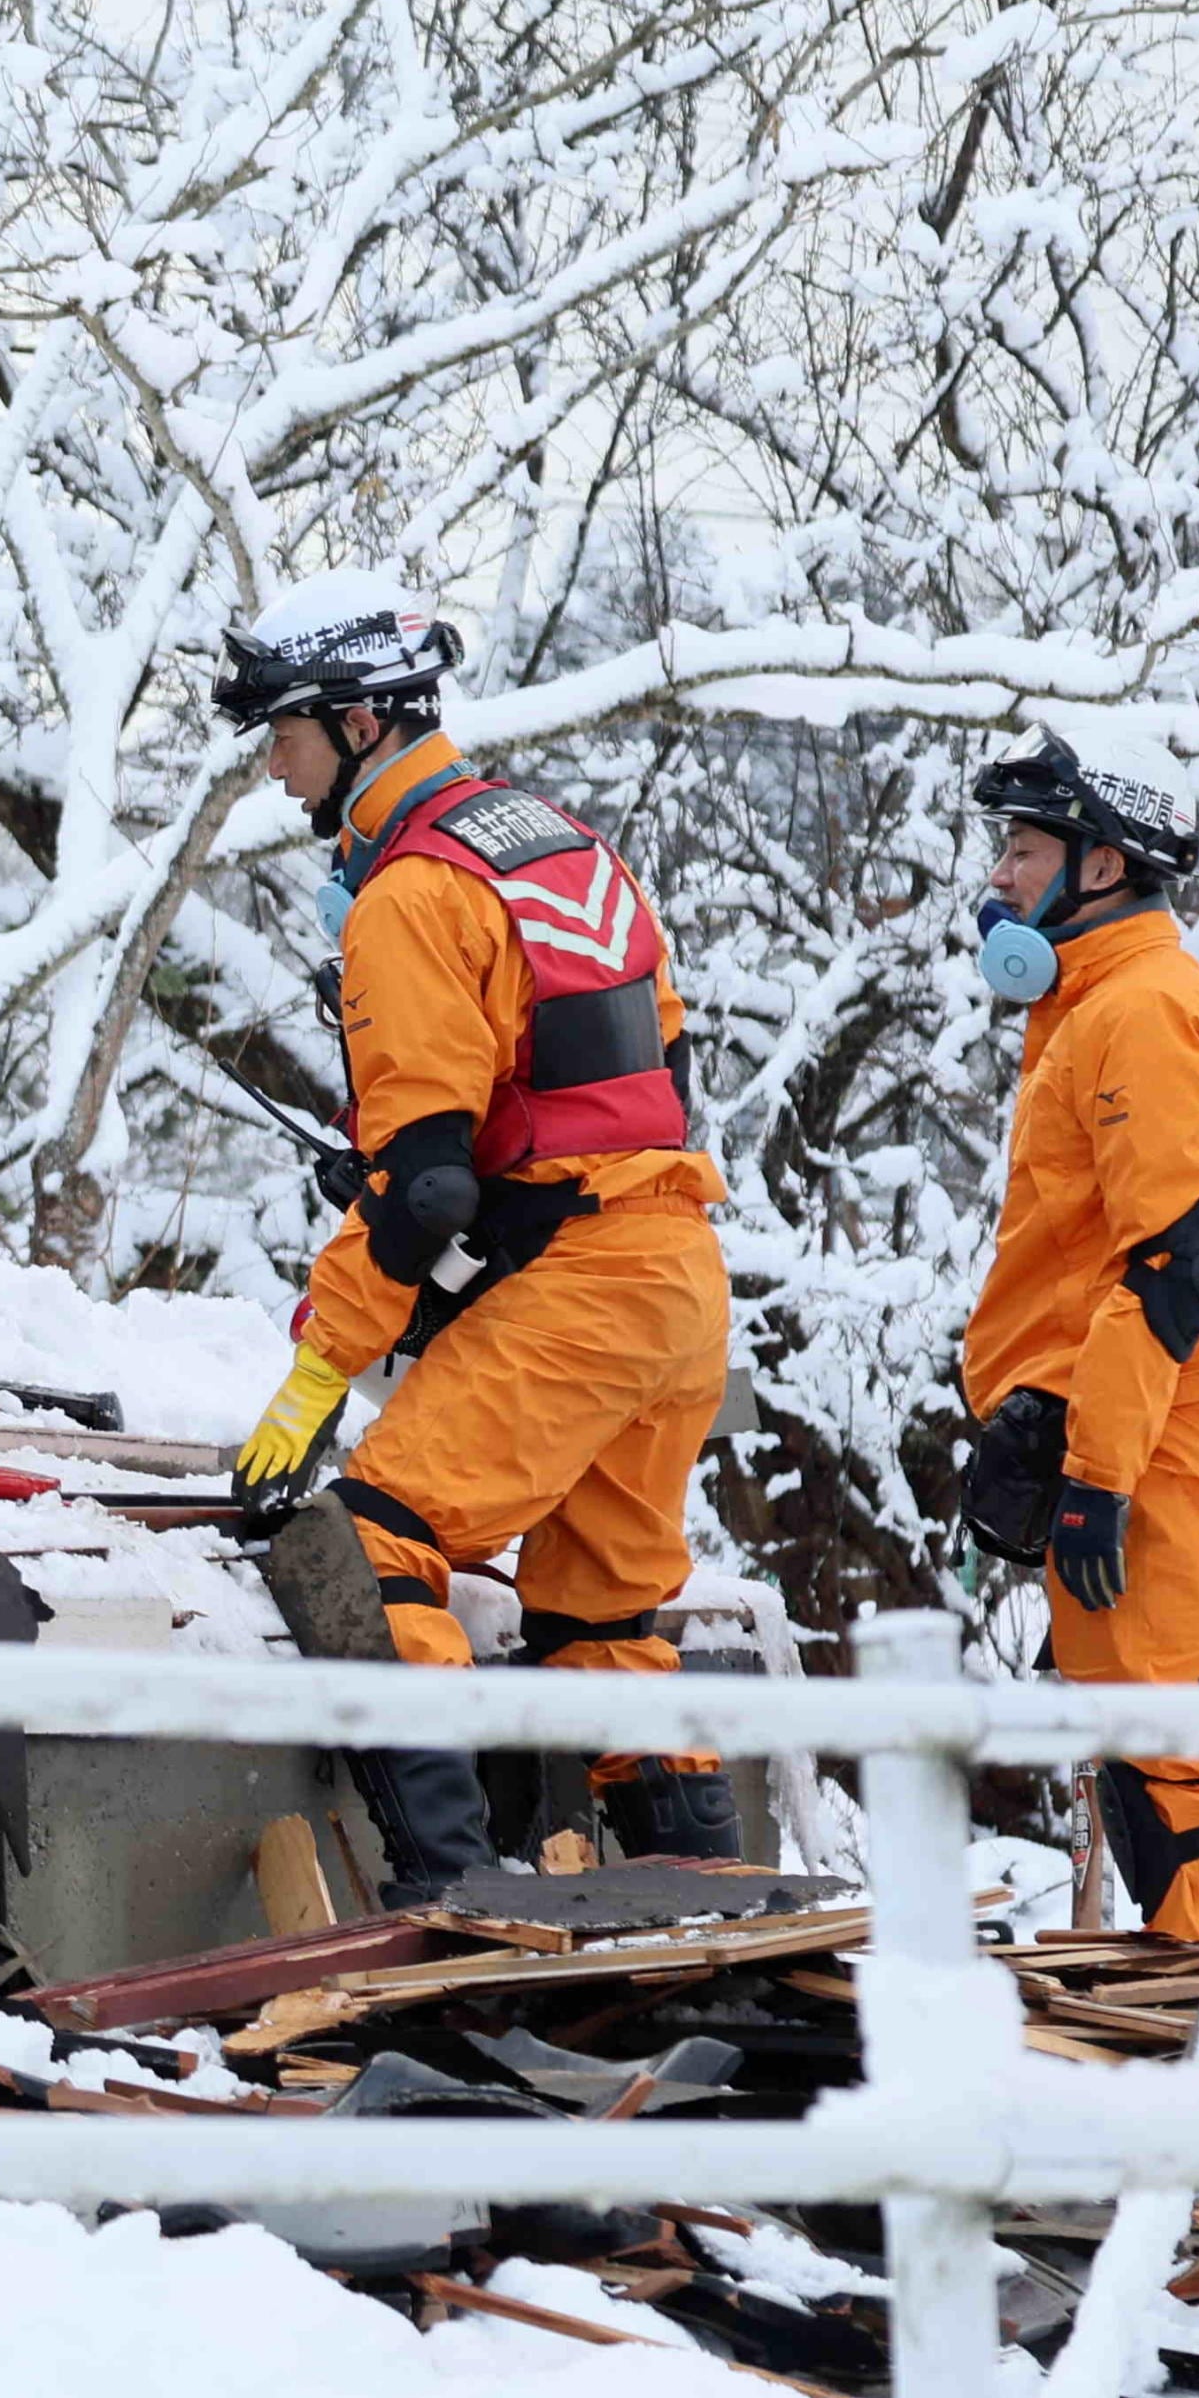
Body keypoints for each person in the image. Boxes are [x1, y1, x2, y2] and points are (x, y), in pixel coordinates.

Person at [211, 580, 737, 1903]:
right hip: (674, 1273)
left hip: (581, 1296)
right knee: (602, 1623)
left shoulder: (410, 891)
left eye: (285, 734)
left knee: (366, 1545)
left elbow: (420, 1192)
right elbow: (620, 1083)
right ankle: (704, 1925)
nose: (274, 770)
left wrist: (319, 1377)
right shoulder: (556, 839)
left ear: (360, 723)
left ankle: (457, 1901)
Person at [950, 731, 1199, 1943]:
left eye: (1022, 845)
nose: (996, 873)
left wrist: (1094, 1479)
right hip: (1135, 1446)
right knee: (1155, 1775)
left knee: (1180, 1784)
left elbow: (1178, 1269)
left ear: (1097, 866)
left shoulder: (1142, 1011)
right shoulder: (1093, 1004)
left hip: (1163, 1458)